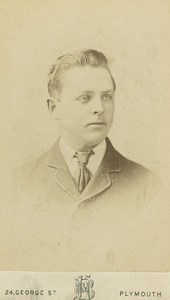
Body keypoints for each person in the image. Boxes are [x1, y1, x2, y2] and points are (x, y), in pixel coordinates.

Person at [7, 49, 169, 271]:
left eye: (107, 97)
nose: (99, 108)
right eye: (85, 98)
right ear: (54, 108)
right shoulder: (17, 185)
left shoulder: (147, 186)